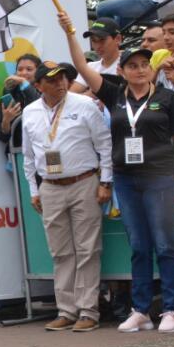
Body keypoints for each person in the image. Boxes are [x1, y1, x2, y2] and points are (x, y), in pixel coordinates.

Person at [65, 25, 174, 335]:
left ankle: (172, 310)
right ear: (121, 70)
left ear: (151, 68)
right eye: (132, 65)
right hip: (125, 180)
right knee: (138, 245)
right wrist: (69, 32)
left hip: (160, 178)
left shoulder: (167, 98)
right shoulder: (113, 94)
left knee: (164, 244)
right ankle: (141, 311)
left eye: (144, 65)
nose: (139, 70)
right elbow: (81, 66)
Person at [20, 60, 113, 332]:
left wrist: (105, 181)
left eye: (63, 78)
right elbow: (28, 155)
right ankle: (66, 310)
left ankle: (88, 310)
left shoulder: (83, 105)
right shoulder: (30, 111)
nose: (60, 83)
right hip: (50, 185)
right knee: (60, 252)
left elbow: (104, 143)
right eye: (52, 80)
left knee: (87, 248)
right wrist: (34, 189)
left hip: (84, 181)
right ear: (38, 86)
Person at [0, 55, 42, 153]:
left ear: (39, 72)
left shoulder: (46, 89)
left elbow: (39, 104)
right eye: (20, 69)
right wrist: (6, 121)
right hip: (19, 154)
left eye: (29, 69)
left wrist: (23, 82)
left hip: (45, 151)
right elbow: (2, 137)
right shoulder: (9, 93)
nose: (23, 73)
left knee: (55, 168)